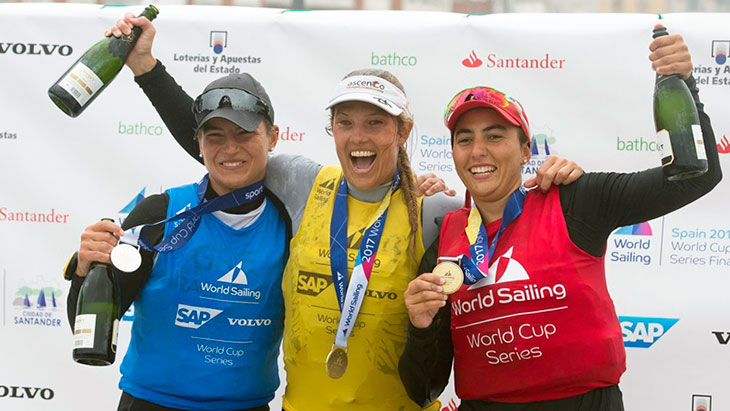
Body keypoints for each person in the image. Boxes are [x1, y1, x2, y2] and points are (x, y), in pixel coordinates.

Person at [103, 12, 585, 411]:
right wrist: (147, 69)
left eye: (376, 123)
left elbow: (504, 212)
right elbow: (225, 152)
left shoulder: (435, 210)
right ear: (331, 128)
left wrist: (556, 183)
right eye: (345, 122)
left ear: (403, 131)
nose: (359, 137)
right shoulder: (301, 182)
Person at [399, 27, 722, 410]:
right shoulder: (444, 243)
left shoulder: (575, 199)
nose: (478, 151)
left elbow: (697, 177)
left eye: (495, 136)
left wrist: (685, 85)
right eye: (464, 139)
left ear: (525, 150)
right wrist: (422, 328)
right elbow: (423, 388)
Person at [64, 73, 291, 411]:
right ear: (198, 143)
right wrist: (84, 271)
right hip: (150, 404)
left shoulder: (292, 220)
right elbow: (87, 329)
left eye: (244, 134)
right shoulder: (160, 213)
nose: (230, 149)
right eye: (215, 136)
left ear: (272, 137)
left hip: (246, 406)